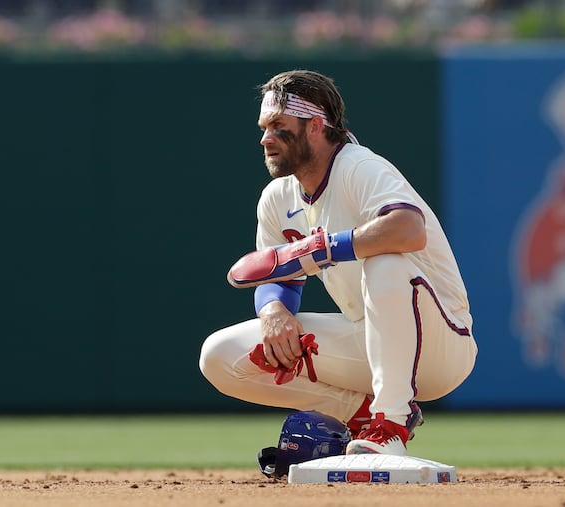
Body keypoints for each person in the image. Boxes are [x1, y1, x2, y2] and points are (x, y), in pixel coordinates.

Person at [199, 69, 477, 456]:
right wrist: (274, 311)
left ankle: (390, 426)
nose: (265, 138)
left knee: (386, 264)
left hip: (441, 344)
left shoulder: (358, 166)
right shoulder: (277, 199)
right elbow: (278, 277)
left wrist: (324, 248)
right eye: (264, 127)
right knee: (219, 355)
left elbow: (409, 229)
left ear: (314, 125)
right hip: (372, 341)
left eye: (278, 125)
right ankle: (362, 415)